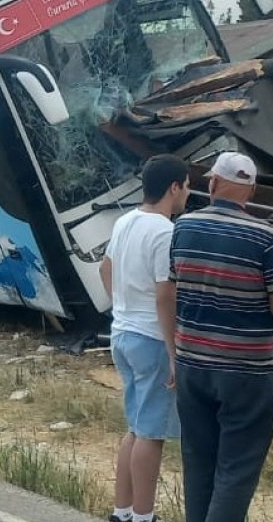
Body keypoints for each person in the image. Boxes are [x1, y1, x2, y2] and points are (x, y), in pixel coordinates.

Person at [170, 152, 273, 522]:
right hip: (246, 373)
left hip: (193, 365)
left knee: (199, 465)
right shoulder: (267, 238)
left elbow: (174, 283)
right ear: (252, 189)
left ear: (213, 183)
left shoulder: (185, 227)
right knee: (235, 473)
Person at [98, 155, 190, 522]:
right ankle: (143, 516)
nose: (188, 192)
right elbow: (165, 293)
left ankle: (122, 512)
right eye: (187, 185)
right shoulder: (166, 231)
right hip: (152, 338)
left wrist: (120, 309)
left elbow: (105, 269)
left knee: (135, 428)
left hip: (122, 332)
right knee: (152, 433)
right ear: (174, 187)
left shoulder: (125, 221)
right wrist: (174, 352)